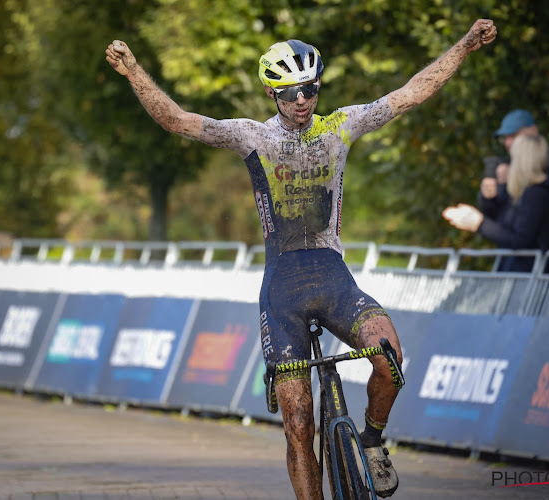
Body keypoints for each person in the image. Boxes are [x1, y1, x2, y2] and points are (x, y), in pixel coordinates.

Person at [106, 20, 497, 499]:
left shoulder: (340, 126)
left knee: (389, 357)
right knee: (298, 423)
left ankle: (372, 440)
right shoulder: (253, 137)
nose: (301, 100)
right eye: (290, 92)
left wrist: (466, 44)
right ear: (273, 93)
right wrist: (133, 71)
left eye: (309, 89)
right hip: (283, 292)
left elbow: (412, 92)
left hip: (335, 281)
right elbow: (178, 120)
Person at [443, 134, 549, 272]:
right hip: (517, 273)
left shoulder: (536, 194)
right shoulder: (523, 190)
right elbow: (498, 218)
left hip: (529, 277)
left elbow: (520, 240)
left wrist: (480, 224)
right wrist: (489, 198)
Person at [478, 109, 549, 219]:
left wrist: (521, 174)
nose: (507, 143)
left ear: (533, 131)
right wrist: (488, 195)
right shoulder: (505, 165)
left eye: (513, 135)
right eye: (505, 138)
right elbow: (495, 213)